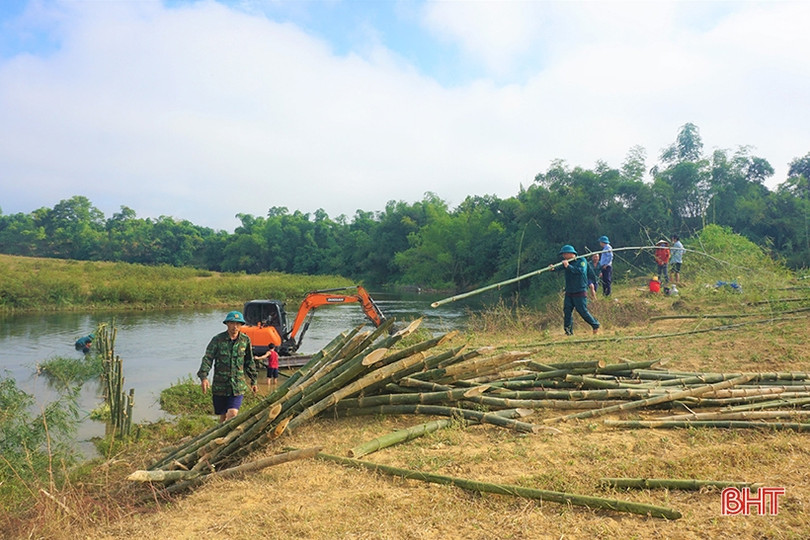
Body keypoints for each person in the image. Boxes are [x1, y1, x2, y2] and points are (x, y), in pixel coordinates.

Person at [197, 310, 258, 423]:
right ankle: (219, 436)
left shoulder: (245, 340)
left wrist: (253, 381)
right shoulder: (217, 340)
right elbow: (208, 358)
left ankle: (227, 438)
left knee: (232, 413)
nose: (235, 326)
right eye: (232, 323)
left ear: (241, 325)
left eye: (238, 324)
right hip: (221, 385)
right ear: (227, 324)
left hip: (237, 386)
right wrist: (204, 377)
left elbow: (249, 361)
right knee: (223, 416)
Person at [550, 245, 600, 336]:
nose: (564, 256)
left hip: (580, 290)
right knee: (567, 310)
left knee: (582, 310)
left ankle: (595, 325)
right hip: (569, 291)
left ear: (571, 254)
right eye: (563, 254)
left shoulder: (581, 261)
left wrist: (568, 266)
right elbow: (559, 268)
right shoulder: (566, 263)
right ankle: (568, 331)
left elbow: (580, 271)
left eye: (565, 254)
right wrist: (553, 268)